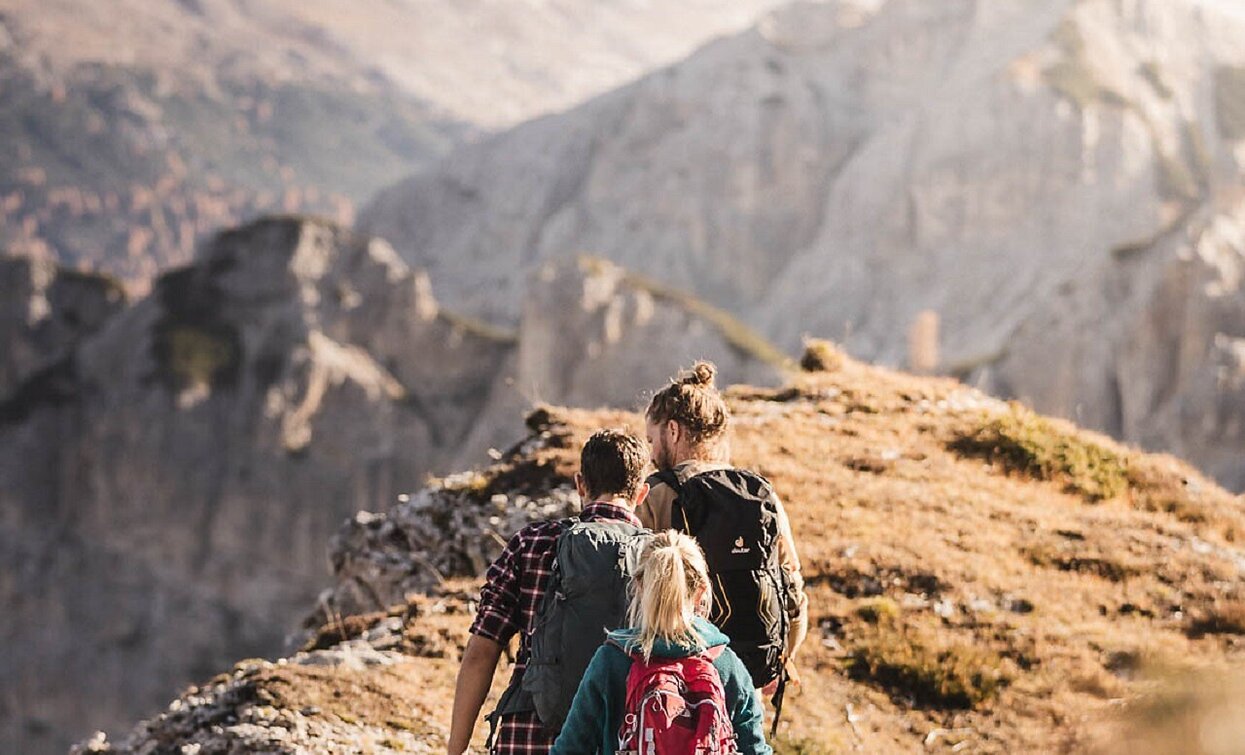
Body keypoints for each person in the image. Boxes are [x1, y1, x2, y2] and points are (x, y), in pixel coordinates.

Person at [448, 429, 651, 755]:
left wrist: (455, 750)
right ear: (641, 493)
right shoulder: (661, 558)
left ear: (580, 484)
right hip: (622, 739)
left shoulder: (532, 544)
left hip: (530, 736)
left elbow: (481, 652)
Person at [639, 362, 809, 706]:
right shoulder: (759, 495)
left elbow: (630, 590)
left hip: (675, 688)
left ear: (673, 431)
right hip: (745, 679)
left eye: (652, 440)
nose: (652, 454)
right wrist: (781, 658)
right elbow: (792, 587)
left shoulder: (655, 494)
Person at [550, 531, 772, 755]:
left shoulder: (611, 661)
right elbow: (755, 750)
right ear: (701, 592)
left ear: (639, 585)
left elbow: (570, 749)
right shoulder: (726, 664)